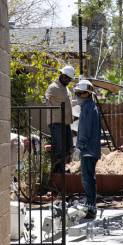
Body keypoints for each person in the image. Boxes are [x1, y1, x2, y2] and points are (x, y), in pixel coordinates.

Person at [74, 79, 101, 219]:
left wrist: (80, 147)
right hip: (91, 150)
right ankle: (91, 207)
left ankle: (91, 209)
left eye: (79, 93)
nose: (77, 95)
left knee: (87, 179)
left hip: (88, 150)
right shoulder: (92, 106)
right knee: (90, 178)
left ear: (86, 93)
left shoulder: (88, 108)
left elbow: (85, 130)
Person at [45, 65, 75, 172]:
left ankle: (63, 168)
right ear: (62, 75)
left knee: (68, 147)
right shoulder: (53, 87)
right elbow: (47, 100)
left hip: (66, 122)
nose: (68, 80)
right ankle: (58, 171)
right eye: (67, 78)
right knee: (59, 147)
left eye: (70, 79)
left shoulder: (66, 89)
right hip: (56, 122)